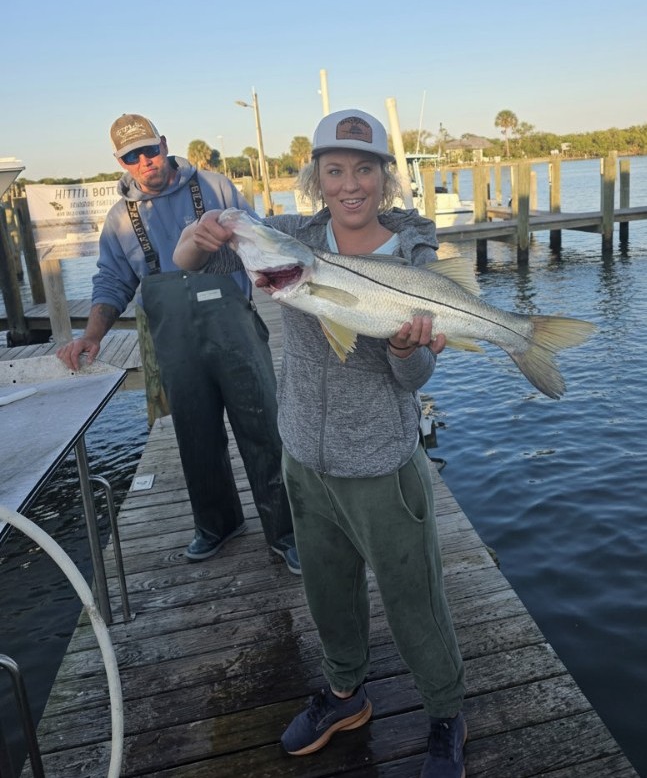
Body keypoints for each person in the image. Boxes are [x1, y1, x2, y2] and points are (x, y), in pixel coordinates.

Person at [172, 108, 467, 777]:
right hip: (303, 453)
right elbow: (188, 260)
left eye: (364, 169)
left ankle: (446, 709)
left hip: (381, 465)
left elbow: (414, 376)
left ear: (384, 178)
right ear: (316, 178)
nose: (350, 183)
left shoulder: (413, 254)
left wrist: (400, 345)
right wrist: (198, 236)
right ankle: (343, 693)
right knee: (327, 590)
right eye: (335, 169)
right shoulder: (294, 240)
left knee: (412, 594)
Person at [56, 113, 300, 574]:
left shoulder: (215, 187)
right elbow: (112, 281)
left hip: (236, 331)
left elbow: (260, 239)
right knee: (194, 434)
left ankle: (286, 533)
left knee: (264, 430)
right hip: (176, 343)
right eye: (133, 156)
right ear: (120, 162)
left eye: (150, 149)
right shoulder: (119, 220)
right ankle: (217, 524)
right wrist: (91, 336)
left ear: (164, 143)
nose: (145, 160)